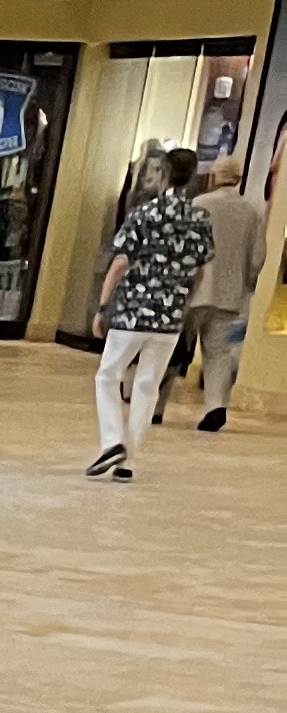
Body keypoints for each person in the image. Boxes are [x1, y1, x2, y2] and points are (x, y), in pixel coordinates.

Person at [90, 144, 215, 478]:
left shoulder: (145, 213)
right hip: (170, 317)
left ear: (163, 174)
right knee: (148, 385)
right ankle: (128, 461)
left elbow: (120, 263)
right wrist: (183, 300)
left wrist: (103, 307)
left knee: (108, 375)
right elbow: (199, 271)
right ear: (192, 177)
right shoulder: (200, 219)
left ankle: (112, 441)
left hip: (133, 311)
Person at [181, 156, 266, 432]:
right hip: (229, 294)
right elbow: (258, 256)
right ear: (238, 179)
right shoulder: (251, 212)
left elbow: (184, 248)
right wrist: (246, 284)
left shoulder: (199, 204)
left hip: (193, 291)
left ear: (214, 177)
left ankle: (155, 407)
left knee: (177, 347)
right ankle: (215, 407)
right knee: (218, 353)